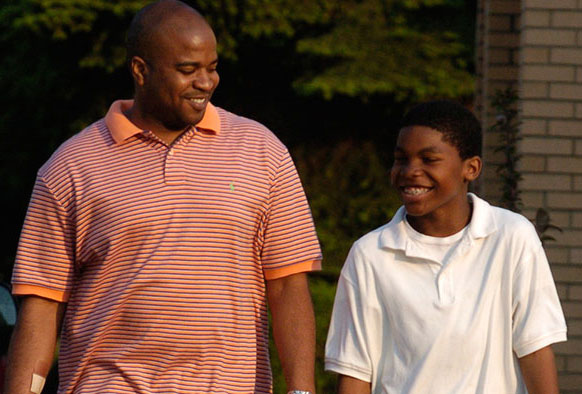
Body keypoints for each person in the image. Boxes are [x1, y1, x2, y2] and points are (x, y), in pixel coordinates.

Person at [5, 1, 321, 393]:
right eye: (188, 70)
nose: (206, 82)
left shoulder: (260, 151)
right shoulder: (72, 165)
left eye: (213, 67)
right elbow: (42, 303)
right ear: (140, 70)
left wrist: (302, 390)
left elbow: (288, 284)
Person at [324, 100, 567, 394]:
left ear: (471, 168)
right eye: (401, 159)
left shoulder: (512, 237)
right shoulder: (370, 254)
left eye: (429, 159)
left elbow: (535, 350)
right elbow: (355, 372)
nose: (411, 170)